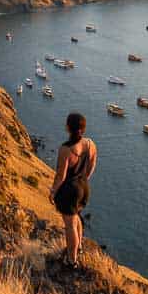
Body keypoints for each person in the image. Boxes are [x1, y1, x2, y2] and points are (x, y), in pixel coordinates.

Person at [49, 112, 97, 267]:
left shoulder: (65, 149)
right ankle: (79, 248)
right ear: (83, 128)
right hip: (83, 187)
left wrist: (53, 192)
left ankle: (72, 260)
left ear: (68, 127)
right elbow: (92, 165)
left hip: (70, 191)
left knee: (69, 225)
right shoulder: (90, 144)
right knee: (76, 218)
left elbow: (61, 176)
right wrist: (83, 180)